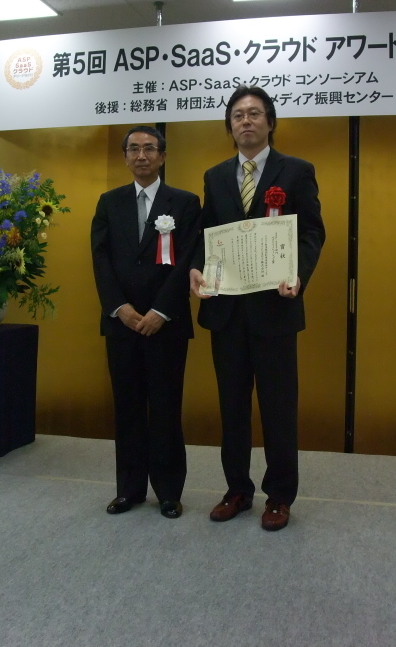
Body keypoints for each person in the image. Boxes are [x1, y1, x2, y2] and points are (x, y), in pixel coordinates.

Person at [190, 86, 325, 531]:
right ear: (229, 126)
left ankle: (280, 497)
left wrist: (300, 273)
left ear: (270, 122)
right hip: (226, 312)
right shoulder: (214, 176)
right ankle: (237, 490)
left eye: (254, 114)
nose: (245, 121)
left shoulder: (297, 171)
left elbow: (311, 234)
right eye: (237, 115)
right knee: (232, 408)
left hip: (276, 311)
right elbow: (208, 235)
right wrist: (197, 271)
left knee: (278, 408)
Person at [91, 126, 201, 519]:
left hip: (166, 324)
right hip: (121, 324)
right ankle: (130, 489)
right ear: (125, 157)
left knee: (166, 407)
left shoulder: (185, 203)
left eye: (149, 149)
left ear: (163, 156)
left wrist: (161, 311)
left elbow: (188, 259)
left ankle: (169, 491)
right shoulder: (109, 202)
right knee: (128, 407)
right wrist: (119, 307)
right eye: (133, 149)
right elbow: (100, 260)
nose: (141, 155)